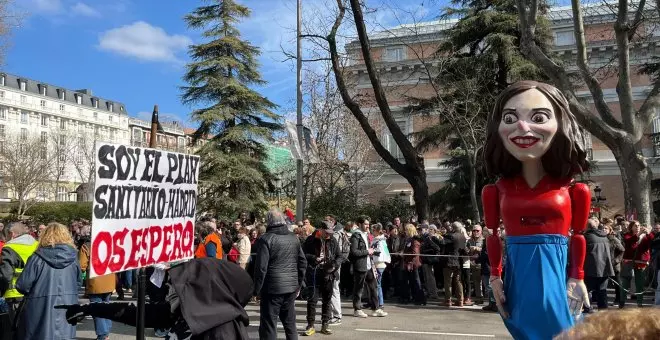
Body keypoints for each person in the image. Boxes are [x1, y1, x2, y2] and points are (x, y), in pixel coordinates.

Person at [482, 81, 591, 339]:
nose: (522, 127)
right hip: (518, 275)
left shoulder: (575, 190)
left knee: (562, 327)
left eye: (538, 117)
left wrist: (578, 276)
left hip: (558, 270)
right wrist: (495, 277)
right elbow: (492, 234)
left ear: (560, 124)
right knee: (522, 326)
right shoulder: (495, 190)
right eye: (510, 118)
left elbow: (578, 234)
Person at [57, 258, 253, 339]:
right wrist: (92, 309)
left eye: (182, 283)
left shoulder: (223, 329)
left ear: (204, 288)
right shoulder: (188, 310)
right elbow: (139, 313)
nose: (171, 287)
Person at [15, 222, 81, 340]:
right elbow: (78, 283)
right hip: (67, 306)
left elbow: (23, 285)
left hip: (39, 308)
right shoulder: (73, 258)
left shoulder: (37, 257)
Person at [254, 209, 307, 340]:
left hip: (272, 289)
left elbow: (261, 268)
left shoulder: (265, 239)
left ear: (268, 221)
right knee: (290, 325)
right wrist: (298, 284)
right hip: (290, 288)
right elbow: (302, 263)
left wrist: (256, 290)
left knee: (269, 326)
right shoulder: (293, 238)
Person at [0, 221, 39, 339]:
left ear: (12, 234)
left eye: (6, 235)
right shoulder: (37, 245)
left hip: (15, 295)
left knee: (17, 329)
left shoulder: (10, 247)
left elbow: (6, 275)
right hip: (35, 294)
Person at [302, 221, 341, 336]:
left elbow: (339, 256)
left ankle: (325, 324)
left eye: (330, 232)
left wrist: (335, 265)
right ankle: (310, 325)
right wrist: (314, 258)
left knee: (327, 300)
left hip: (328, 273)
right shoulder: (311, 239)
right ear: (321, 230)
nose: (329, 234)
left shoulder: (333, 240)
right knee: (312, 300)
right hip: (314, 272)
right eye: (327, 232)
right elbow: (303, 254)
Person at [79, 231, 116, 340]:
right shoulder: (111, 243)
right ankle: (106, 333)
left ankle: (102, 334)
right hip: (109, 279)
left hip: (95, 281)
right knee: (106, 306)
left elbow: (82, 265)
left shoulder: (86, 246)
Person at [349, 216, 381, 318]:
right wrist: (368, 251)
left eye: (368, 224)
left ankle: (375, 309)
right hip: (360, 265)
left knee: (373, 286)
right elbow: (354, 252)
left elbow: (368, 249)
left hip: (368, 264)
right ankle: (357, 309)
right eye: (365, 224)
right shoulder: (356, 236)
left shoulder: (366, 234)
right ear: (359, 224)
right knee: (359, 288)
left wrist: (373, 251)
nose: (368, 226)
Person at [620, 220, 654, 308]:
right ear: (631, 227)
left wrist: (649, 234)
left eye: (639, 225)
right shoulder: (627, 235)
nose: (638, 227)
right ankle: (622, 302)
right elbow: (630, 243)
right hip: (629, 262)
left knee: (640, 284)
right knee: (625, 284)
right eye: (635, 225)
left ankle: (640, 303)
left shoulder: (645, 236)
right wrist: (638, 235)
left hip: (641, 263)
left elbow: (652, 242)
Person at [583, 217, 614, 311]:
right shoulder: (605, 237)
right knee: (602, 292)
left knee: (586, 290)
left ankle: (587, 309)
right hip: (604, 268)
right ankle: (603, 313)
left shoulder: (586, 237)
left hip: (591, 268)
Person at [328, 215, 349, 326]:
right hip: (335, 264)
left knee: (334, 288)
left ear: (333, 221)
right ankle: (333, 314)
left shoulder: (336, 234)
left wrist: (334, 264)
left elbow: (335, 252)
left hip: (335, 264)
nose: (325, 222)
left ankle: (336, 315)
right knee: (332, 288)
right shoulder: (339, 231)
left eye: (327, 220)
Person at [370, 223, 390, 313]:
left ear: (377, 231)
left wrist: (371, 251)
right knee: (377, 285)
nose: (372, 231)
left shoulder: (380, 240)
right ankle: (376, 302)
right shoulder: (378, 239)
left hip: (379, 264)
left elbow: (380, 252)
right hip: (377, 264)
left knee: (377, 285)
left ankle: (380, 303)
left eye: (373, 230)